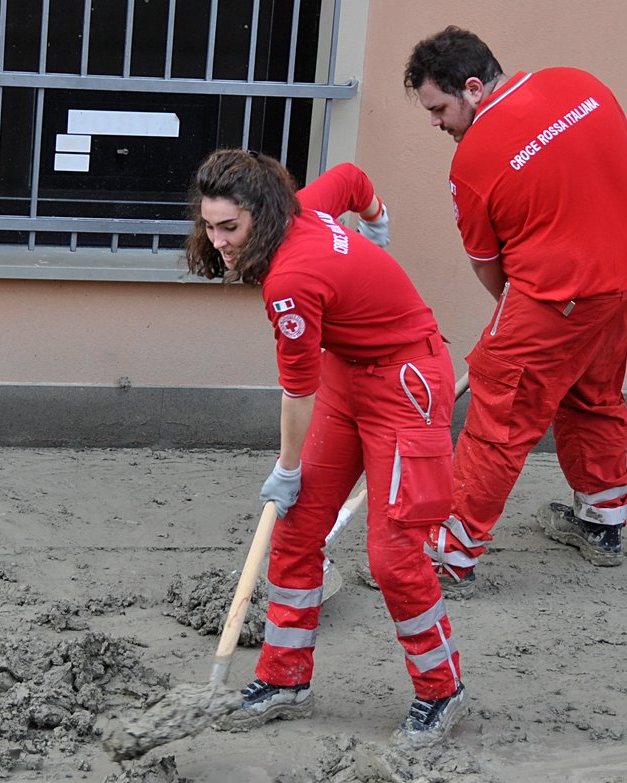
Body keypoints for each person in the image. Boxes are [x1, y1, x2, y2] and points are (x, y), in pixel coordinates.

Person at [184, 149, 466, 745]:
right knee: (296, 528)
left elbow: (296, 390)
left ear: (262, 213)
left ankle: (442, 689)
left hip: (405, 383)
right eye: (209, 226)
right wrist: (376, 220)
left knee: (394, 555)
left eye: (229, 227)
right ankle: (285, 678)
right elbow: (354, 179)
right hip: (349, 371)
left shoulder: (289, 280)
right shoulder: (303, 207)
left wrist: (287, 468)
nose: (218, 242)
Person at [402, 27, 627, 594]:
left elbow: (488, 265)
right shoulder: (580, 83)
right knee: (594, 393)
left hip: (553, 295)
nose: (436, 122)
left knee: (500, 418)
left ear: (472, 88)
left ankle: (450, 554)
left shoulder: (472, 163)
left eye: (440, 108)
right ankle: (603, 521)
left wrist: (526, 327)